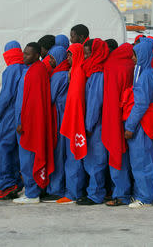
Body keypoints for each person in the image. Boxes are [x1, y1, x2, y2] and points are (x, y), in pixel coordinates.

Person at [13, 42, 56, 204]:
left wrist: (24, 122)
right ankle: (32, 190)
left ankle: (32, 193)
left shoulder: (37, 71)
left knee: (29, 159)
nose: (24, 56)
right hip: (25, 121)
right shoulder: (31, 70)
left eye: (28, 54)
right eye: (24, 53)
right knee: (25, 158)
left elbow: (34, 103)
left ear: (37, 55)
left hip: (30, 123)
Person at [72, 38, 109, 206]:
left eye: (89, 54)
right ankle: (94, 192)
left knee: (96, 160)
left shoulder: (98, 74)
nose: (86, 57)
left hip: (96, 125)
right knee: (93, 159)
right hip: (94, 123)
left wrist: (88, 125)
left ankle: (95, 194)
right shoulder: (92, 71)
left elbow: (95, 102)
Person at [124, 39, 153, 208]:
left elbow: (140, 104)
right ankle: (143, 193)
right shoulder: (148, 72)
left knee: (141, 161)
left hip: (142, 124)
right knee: (145, 160)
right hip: (146, 122)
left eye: (135, 55)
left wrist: (130, 126)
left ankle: (144, 197)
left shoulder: (144, 76)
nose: (132, 58)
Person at [0, 41, 25, 200]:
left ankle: (6, 185)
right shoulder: (26, 67)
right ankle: (16, 180)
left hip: (9, 115)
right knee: (14, 149)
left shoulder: (11, 69)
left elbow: (6, 96)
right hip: (21, 115)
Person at [102, 43, 134, 206]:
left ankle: (121, 194)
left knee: (116, 154)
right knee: (131, 158)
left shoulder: (110, 65)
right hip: (131, 116)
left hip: (112, 115)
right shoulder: (133, 66)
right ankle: (127, 193)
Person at [41, 46, 71, 202]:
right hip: (65, 115)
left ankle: (56, 188)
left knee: (57, 153)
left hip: (58, 117)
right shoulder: (67, 72)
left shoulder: (58, 75)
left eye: (52, 58)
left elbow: (50, 97)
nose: (50, 61)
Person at [59, 44, 88, 203]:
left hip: (75, 121)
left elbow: (77, 100)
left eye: (70, 55)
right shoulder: (75, 71)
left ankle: (73, 192)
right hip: (72, 119)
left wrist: (74, 123)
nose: (68, 58)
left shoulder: (79, 72)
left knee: (74, 157)